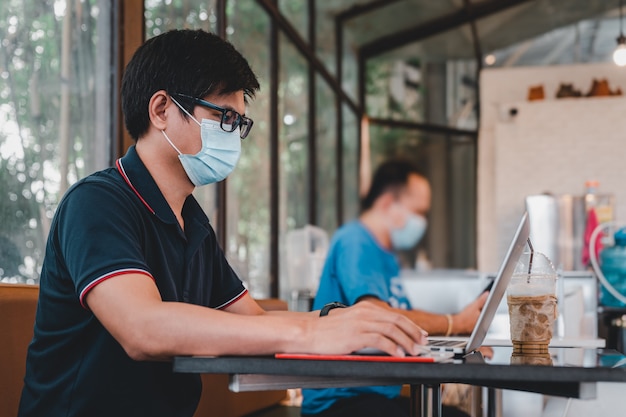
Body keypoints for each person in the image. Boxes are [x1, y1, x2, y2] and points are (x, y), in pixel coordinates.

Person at [17, 30, 428, 417]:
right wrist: (309, 335)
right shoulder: (97, 203)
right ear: (162, 110)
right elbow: (143, 328)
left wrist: (345, 321)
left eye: (239, 124)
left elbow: (254, 320)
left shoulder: (192, 222)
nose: (233, 136)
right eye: (224, 118)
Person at [301, 159, 488, 417]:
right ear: (388, 203)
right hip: (343, 400)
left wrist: (459, 344)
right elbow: (380, 315)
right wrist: (455, 323)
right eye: (418, 212)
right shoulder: (355, 241)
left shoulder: (387, 255)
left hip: (374, 394)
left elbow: (403, 324)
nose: (421, 222)